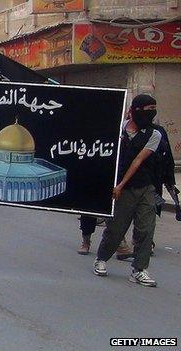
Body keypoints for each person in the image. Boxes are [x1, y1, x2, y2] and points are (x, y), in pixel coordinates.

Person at [93, 94, 161, 287]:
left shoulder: (154, 135)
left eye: (153, 110)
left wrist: (120, 185)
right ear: (135, 110)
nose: (151, 114)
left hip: (143, 186)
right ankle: (101, 258)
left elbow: (138, 161)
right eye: (148, 109)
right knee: (116, 228)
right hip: (122, 189)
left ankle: (139, 269)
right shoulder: (118, 128)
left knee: (146, 229)